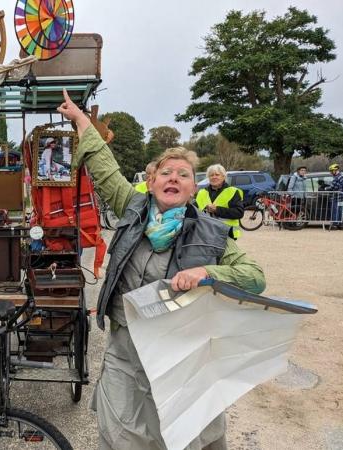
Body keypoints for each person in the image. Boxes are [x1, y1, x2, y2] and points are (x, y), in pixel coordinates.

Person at [57, 89, 265, 450]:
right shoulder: (131, 207)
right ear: (151, 182)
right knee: (123, 431)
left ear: (191, 188)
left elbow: (254, 277)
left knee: (183, 433)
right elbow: (106, 169)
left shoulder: (211, 233)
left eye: (183, 174)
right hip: (127, 350)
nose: (173, 177)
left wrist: (208, 274)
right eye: (165, 172)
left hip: (181, 354)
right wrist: (81, 121)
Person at [195, 164, 244, 239]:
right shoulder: (202, 192)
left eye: (217, 175)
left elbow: (239, 213)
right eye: (211, 175)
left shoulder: (233, 191)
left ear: (223, 176)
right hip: (205, 233)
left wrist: (217, 210)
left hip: (226, 234)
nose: (214, 177)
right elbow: (195, 210)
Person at [326, 163, 343, 230]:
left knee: (335, 210)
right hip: (342, 197)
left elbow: (333, 187)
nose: (331, 173)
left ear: (335, 170)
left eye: (331, 171)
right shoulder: (342, 176)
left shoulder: (337, 177)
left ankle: (334, 225)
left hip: (336, 197)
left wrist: (325, 188)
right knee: (340, 211)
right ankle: (340, 225)